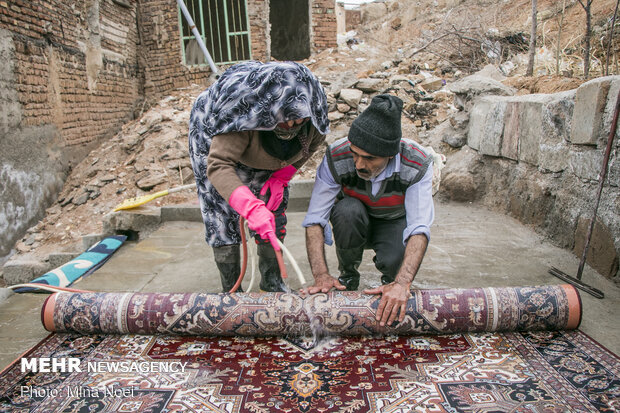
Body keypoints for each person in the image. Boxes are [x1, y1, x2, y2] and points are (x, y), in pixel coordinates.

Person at [188, 61, 329, 293]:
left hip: (265, 155)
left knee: (273, 211)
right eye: (288, 118)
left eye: (300, 119)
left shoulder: (312, 112)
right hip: (214, 138)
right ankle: (231, 289)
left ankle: (272, 281)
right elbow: (218, 165)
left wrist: (281, 177)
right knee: (222, 213)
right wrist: (249, 206)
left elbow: (310, 148)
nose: (294, 124)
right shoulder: (241, 112)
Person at [301, 94, 434, 326]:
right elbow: (314, 219)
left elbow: (419, 229)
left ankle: (390, 282)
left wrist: (402, 284)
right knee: (347, 211)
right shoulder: (336, 155)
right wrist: (321, 275)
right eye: (355, 154)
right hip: (353, 219)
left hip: (392, 221)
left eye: (370, 158)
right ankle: (348, 276)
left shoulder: (416, 162)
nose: (359, 164)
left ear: (390, 154)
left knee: (396, 267)